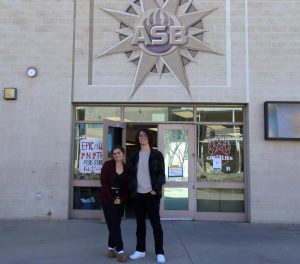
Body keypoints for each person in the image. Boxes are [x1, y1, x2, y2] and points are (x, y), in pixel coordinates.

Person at [128, 128, 166, 263]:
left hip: (151, 194)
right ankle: (140, 250)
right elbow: (130, 175)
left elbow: (161, 175)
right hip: (138, 195)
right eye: (140, 136)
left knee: (156, 224)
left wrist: (155, 190)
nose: (142, 137)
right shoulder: (134, 155)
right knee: (140, 225)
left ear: (149, 138)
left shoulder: (156, 155)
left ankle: (160, 252)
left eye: (144, 135)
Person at [100, 145, 128, 262]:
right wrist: (112, 199)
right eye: (115, 153)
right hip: (107, 199)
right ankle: (120, 251)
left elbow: (128, 187)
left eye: (119, 153)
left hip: (120, 199)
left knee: (115, 224)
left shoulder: (127, 168)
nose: (117, 155)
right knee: (114, 224)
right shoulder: (108, 165)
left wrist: (121, 199)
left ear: (123, 153)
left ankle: (110, 248)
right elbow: (104, 184)